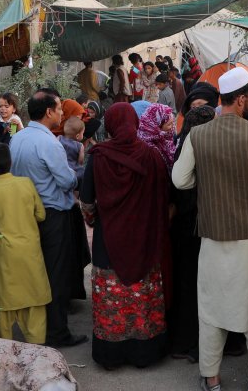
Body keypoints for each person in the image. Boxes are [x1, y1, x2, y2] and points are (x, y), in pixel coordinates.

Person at [171, 67, 248, 391]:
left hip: (213, 234)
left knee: (211, 306)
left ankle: (212, 379)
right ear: (242, 100)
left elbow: (180, 180)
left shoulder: (197, 135)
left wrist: (205, 180)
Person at [79, 102, 171, 368]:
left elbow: (87, 201)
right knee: (143, 296)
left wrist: (94, 220)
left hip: (108, 240)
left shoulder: (99, 156)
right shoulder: (152, 156)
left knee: (112, 298)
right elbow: (163, 199)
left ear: (110, 125)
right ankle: (145, 353)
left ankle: (111, 355)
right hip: (144, 239)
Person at [11, 89, 90, 347]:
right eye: (58, 109)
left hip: (28, 213)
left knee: (37, 271)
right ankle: (57, 332)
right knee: (56, 274)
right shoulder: (49, 143)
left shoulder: (18, 138)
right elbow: (66, 180)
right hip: (53, 213)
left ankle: (37, 327)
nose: (61, 113)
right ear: (48, 112)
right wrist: (81, 173)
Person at [0, 143, 50, 343]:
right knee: (35, 301)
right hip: (30, 252)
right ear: (10, 162)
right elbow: (41, 215)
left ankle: (4, 350)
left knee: (4, 306)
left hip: (5, 255)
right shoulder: (26, 183)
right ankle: (38, 348)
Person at [167, 104, 216, 363]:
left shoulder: (182, 149)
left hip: (186, 228)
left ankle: (185, 342)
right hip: (208, 227)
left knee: (187, 284)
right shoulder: (214, 149)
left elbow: (177, 190)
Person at [58, 116, 86, 182]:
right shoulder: (80, 146)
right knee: (82, 173)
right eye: (82, 133)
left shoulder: (59, 138)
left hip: (60, 167)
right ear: (77, 136)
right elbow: (80, 161)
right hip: (73, 170)